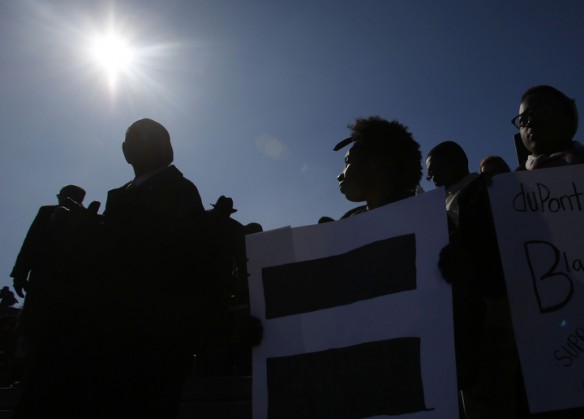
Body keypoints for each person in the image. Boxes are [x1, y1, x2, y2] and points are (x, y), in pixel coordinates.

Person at [93, 118, 221, 419]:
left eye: (149, 139)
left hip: (159, 325)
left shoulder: (179, 190)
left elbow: (195, 257)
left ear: (168, 149)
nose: (136, 146)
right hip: (114, 324)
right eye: (132, 140)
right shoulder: (121, 194)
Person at [334, 115, 422, 218]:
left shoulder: (432, 217)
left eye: (348, 162)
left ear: (375, 162)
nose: (339, 176)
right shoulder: (349, 221)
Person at [513, 85, 584, 170]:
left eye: (541, 113)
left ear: (569, 118)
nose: (531, 122)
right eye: (522, 120)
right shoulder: (513, 178)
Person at [425, 141, 479, 229]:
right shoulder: (440, 201)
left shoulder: (483, 187)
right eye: (430, 175)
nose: (433, 177)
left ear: (457, 162)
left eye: (437, 169)